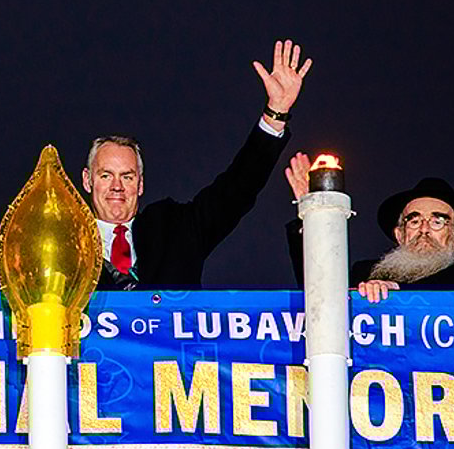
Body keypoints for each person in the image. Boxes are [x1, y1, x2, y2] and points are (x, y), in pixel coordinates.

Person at [85, 40, 312, 290]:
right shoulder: (65, 244)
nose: (117, 186)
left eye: (127, 177)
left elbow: (236, 190)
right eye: (106, 175)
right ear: (87, 180)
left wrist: (276, 112)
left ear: (140, 184)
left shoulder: (174, 229)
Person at [283, 161, 454, 301]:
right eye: (414, 221)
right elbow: (319, 294)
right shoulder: (365, 275)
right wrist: (313, 215)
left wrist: (397, 290)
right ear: (400, 234)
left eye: (437, 222)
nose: (424, 229)